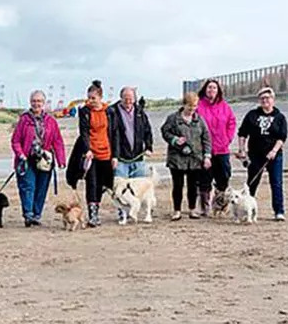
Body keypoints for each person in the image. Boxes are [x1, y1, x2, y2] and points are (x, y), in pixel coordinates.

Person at [12, 90, 67, 227]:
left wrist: (61, 160)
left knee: (41, 188)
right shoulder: (23, 120)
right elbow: (15, 141)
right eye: (34, 101)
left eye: (39, 101)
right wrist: (21, 154)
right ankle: (28, 214)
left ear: (44, 103)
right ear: (30, 102)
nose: (37, 104)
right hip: (27, 159)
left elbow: (57, 141)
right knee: (27, 187)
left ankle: (37, 214)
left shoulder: (51, 121)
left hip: (44, 159)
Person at [236, 87, 288, 221]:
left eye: (268, 98)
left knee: (276, 182)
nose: (265, 100)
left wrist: (274, 151)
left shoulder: (280, 117)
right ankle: (245, 209)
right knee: (252, 183)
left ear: (273, 100)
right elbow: (242, 133)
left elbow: (282, 137)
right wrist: (242, 149)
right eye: (262, 98)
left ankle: (279, 211)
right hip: (255, 154)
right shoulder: (252, 115)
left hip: (274, 155)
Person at [161, 92, 212, 221]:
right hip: (176, 159)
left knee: (193, 186)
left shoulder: (199, 120)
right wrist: (174, 139)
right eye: (190, 106)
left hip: (195, 159)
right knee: (177, 185)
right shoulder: (173, 118)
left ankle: (192, 209)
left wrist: (207, 156)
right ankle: (177, 210)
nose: (192, 109)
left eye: (195, 106)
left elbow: (206, 138)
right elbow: (164, 131)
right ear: (184, 104)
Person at [108, 87, 154, 221]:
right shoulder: (113, 112)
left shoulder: (140, 111)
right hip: (120, 158)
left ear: (134, 99)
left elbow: (147, 130)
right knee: (120, 191)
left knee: (140, 189)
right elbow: (113, 135)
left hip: (138, 156)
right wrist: (114, 156)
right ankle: (123, 214)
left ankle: (142, 213)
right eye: (125, 98)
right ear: (121, 98)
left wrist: (149, 146)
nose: (128, 101)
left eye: (131, 99)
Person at [196, 79, 237, 208]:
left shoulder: (224, 106)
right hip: (205, 150)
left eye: (214, 88)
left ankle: (220, 204)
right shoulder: (199, 105)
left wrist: (228, 138)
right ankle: (204, 207)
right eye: (209, 88)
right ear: (205, 90)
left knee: (224, 177)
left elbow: (232, 122)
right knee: (204, 178)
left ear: (218, 90)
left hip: (222, 148)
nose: (211, 90)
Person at [79, 80, 114, 227]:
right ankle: (93, 215)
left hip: (107, 152)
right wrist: (87, 149)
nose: (90, 101)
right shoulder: (85, 111)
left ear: (100, 97)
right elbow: (84, 132)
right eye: (89, 98)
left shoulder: (110, 111)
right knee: (91, 183)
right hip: (91, 153)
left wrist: (116, 154)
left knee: (103, 184)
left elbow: (115, 133)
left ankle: (102, 208)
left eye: (93, 98)